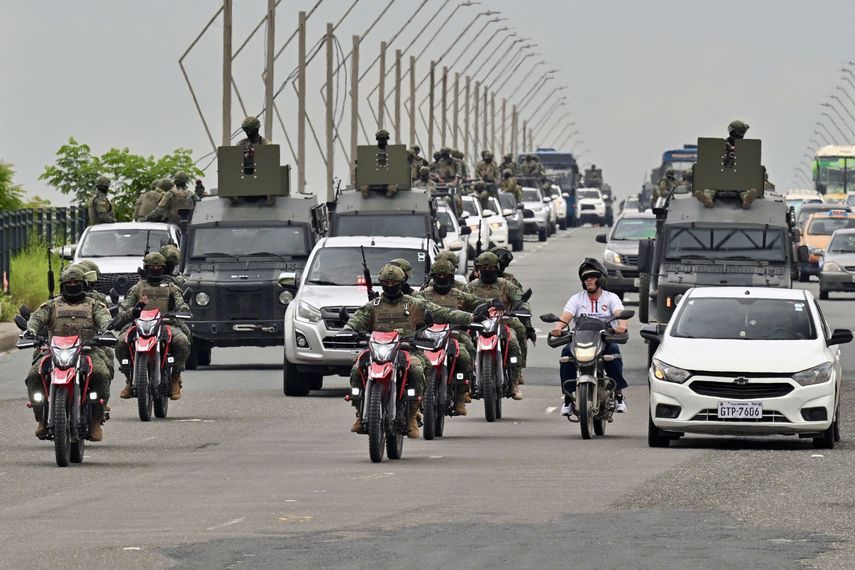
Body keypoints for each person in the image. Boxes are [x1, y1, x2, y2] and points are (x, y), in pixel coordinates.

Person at [344, 264, 477, 438]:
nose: (390, 286)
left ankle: (412, 416)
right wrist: (348, 330)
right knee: (356, 368)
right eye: (386, 283)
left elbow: (441, 313)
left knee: (419, 368)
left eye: (394, 283)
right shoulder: (373, 305)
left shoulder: (414, 303)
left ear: (401, 283)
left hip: (407, 350)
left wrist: (471, 317)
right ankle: (360, 414)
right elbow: (357, 320)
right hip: (377, 351)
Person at [24, 266, 113, 440]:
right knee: (34, 375)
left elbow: (105, 319)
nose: (72, 285)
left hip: (87, 351)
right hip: (54, 352)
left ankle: (96, 421)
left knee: (102, 373)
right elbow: (36, 318)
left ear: (83, 284)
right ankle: (42, 419)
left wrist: (105, 330)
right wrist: (31, 331)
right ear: (62, 285)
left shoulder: (94, 304)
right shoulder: (52, 305)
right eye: (68, 282)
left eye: (76, 282)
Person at [550, 258, 629, 418]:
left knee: (614, 352)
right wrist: (558, 328)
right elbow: (566, 316)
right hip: (580, 339)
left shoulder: (611, 297)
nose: (589, 280)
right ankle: (568, 398)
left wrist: (622, 326)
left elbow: (620, 313)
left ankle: (619, 395)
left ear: (601, 278)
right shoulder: (577, 298)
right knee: (566, 354)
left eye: (592, 276)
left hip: (604, 340)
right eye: (586, 278)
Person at [115, 253, 191, 401]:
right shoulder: (137, 288)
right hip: (140, 325)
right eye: (151, 266)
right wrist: (133, 311)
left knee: (182, 341)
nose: (155, 268)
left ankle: (175, 379)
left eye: (158, 266)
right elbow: (124, 308)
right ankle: (130, 380)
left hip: (166, 324)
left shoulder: (171, 287)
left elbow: (181, 303)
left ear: (163, 268)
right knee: (120, 342)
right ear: (146, 268)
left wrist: (182, 311)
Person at [418, 259, 484, 414]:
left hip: (454, 333)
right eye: (438, 275)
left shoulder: (459, 294)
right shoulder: (422, 296)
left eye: (445, 275)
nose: (441, 278)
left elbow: (477, 302)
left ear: (451, 276)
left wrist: (491, 304)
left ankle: (461, 395)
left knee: (465, 353)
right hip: (427, 334)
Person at [467, 252, 526, 399]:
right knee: (464, 346)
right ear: (479, 269)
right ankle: (465, 384)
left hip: (503, 320)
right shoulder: (470, 287)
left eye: (491, 267)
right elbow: (461, 303)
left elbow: (519, 298)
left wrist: (521, 307)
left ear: (497, 268)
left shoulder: (505, 284)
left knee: (514, 340)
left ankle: (514, 381)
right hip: (477, 322)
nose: (487, 270)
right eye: (484, 267)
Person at [694, 120, 757, 209]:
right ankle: (708, 199)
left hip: (727, 179)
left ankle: (746, 200)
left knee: (712, 186)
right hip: (733, 179)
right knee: (742, 187)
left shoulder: (729, 146)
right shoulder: (738, 147)